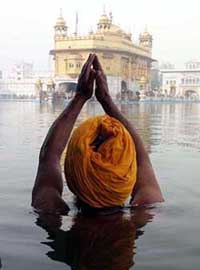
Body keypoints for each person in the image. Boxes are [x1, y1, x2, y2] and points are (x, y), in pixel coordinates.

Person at [32, 54, 164, 215]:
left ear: (72, 174)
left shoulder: (50, 212)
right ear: (128, 177)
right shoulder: (144, 212)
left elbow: (49, 156)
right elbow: (143, 161)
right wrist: (107, 100)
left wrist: (80, 97)